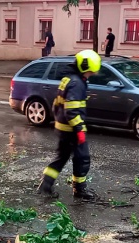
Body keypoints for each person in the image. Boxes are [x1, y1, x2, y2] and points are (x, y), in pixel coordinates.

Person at [37, 49, 101, 200]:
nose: (92, 74)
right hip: (72, 130)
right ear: (87, 67)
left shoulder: (69, 79)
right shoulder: (77, 83)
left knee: (61, 157)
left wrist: (58, 122)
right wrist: (79, 130)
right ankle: (80, 190)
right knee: (82, 158)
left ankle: (45, 185)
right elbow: (71, 110)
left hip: (63, 128)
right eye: (92, 71)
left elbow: (56, 105)